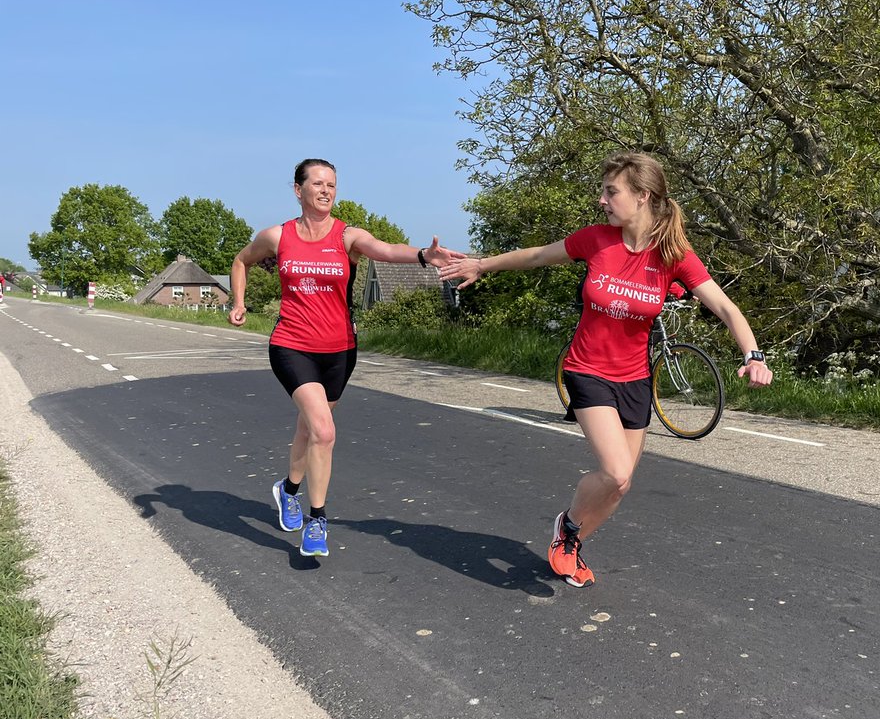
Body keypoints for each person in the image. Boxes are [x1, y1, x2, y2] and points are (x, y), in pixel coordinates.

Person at [439, 151, 772, 587]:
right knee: (614, 470)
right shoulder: (596, 239)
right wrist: (482, 264)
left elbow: (725, 307)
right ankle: (569, 528)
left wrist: (753, 354)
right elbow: (537, 255)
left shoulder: (673, 254)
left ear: (642, 196)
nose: (602, 200)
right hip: (587, 369)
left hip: (634, 379)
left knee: (622, 485)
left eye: (611, 191)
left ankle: (571, 536)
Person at [228, 158, 464, 558]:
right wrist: (238, 302)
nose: (325, 191)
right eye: (317, 183)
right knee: (324, 430)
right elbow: (240, 260)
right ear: (298, 189)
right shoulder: (278, 236)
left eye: (332, 185)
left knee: (309, 428)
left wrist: (425, 255)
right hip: (292, 344)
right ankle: (317, 519)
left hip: (339, 351)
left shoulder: (348, 237)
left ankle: (287, 490)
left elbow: (386, 251)